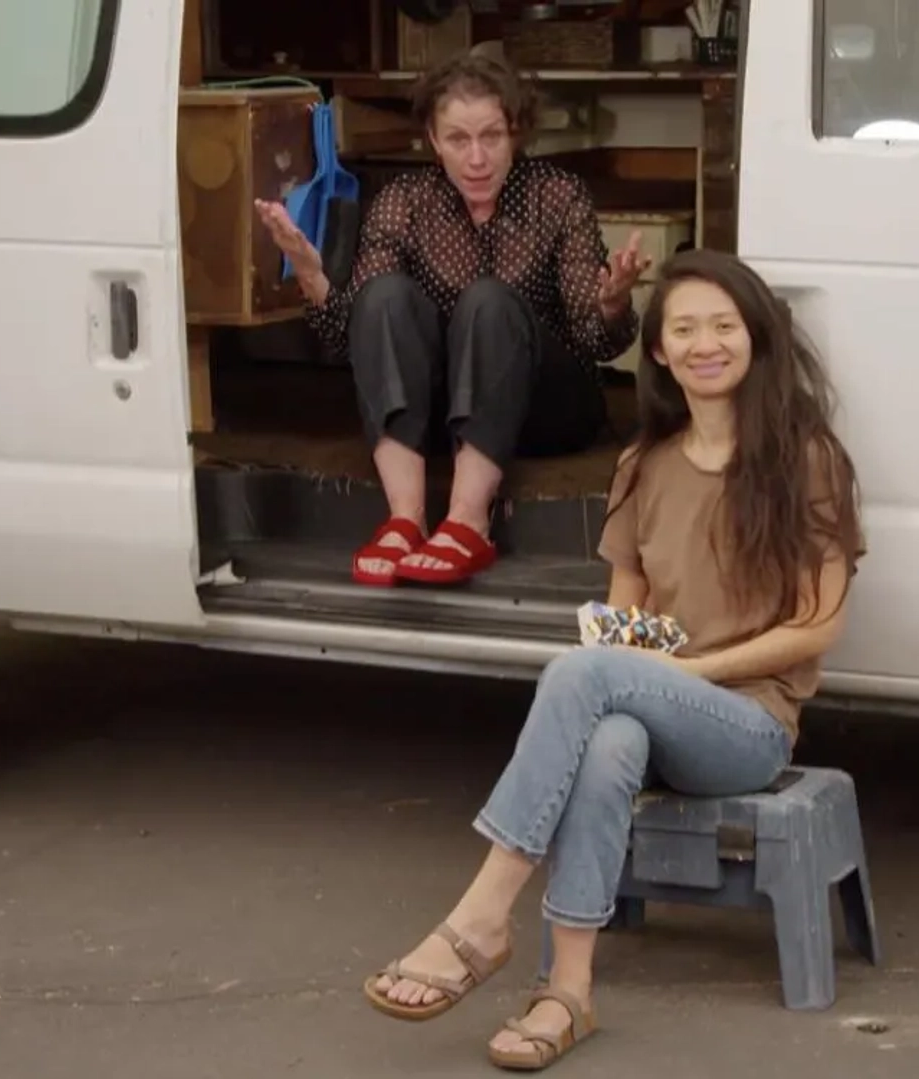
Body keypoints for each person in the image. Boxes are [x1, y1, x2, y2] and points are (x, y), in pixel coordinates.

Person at [357, 248, 866, 1070]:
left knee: (586, 675)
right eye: (685, 329)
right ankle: (569, 991)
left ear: (757, 338)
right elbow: (626, 619)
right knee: (607, 735)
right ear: (659, 351)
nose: (707, 344)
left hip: (748, 724)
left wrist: (681, 674)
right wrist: (632, 662)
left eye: (724, 326)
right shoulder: (645, 465)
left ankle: (485, 912)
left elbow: (819, 626)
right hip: (655, 707)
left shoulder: (806, 459)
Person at [253, 53, 652, 588]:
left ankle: (467, 522)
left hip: (545, 408)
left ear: (516, 133)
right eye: (459, 139)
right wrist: (311, 276)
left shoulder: (557, 195)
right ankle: (405, 520)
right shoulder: (404, 202)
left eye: (492, 136)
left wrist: (612, 301)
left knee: (488, 301)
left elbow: (594, 338)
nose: (478, 157)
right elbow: (358, 333)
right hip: (440, 417)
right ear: (434, 141)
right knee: (384, 294)